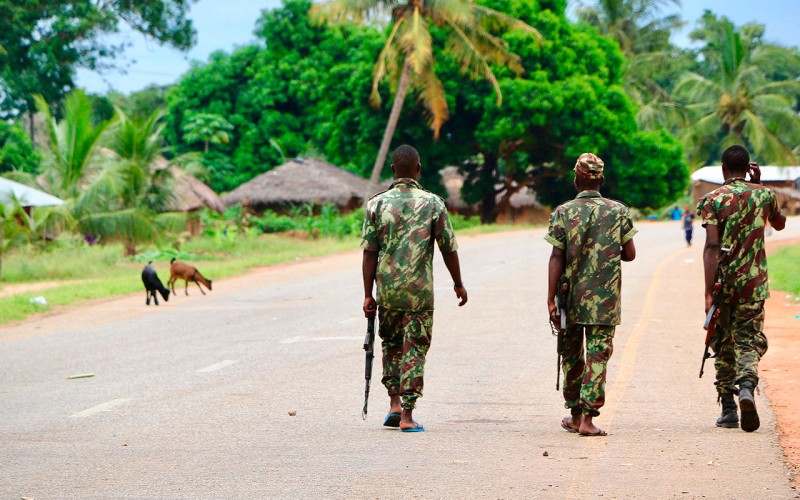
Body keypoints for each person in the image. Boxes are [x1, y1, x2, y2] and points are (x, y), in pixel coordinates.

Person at [361, 144, 468, 433]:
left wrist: (368, 294)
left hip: (388, 293)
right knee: (415, 349)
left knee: (392, 346)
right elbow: (448, 249)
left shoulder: (377, 204)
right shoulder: (433, 204)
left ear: (393, 170)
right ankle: (407, 416)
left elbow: (369, 252)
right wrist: (458, 283)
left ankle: (394, 404)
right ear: (419, 170)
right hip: (420, 294)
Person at [545, 153, 637, 437]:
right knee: (598, 355)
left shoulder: (563, 212)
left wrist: (550, 298)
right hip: (605, 299)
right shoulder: (618, 211)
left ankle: (573, 415)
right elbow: (630, 254)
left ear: (576, 179)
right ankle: (587, 420)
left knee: (572, 356)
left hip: (569, 297)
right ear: (601, 179)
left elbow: (555, 256)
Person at [697, 145, 786, 432]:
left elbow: (711, 245)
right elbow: (780, 224)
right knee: (748, 340)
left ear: (723, 168)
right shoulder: (764, 195)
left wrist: (709, 292)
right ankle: (746, 385)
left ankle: (728, 409)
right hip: (754, 284)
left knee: (722, 341)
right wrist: (761, 184)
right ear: (748, 167)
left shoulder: (713, 199)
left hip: (724, 284)